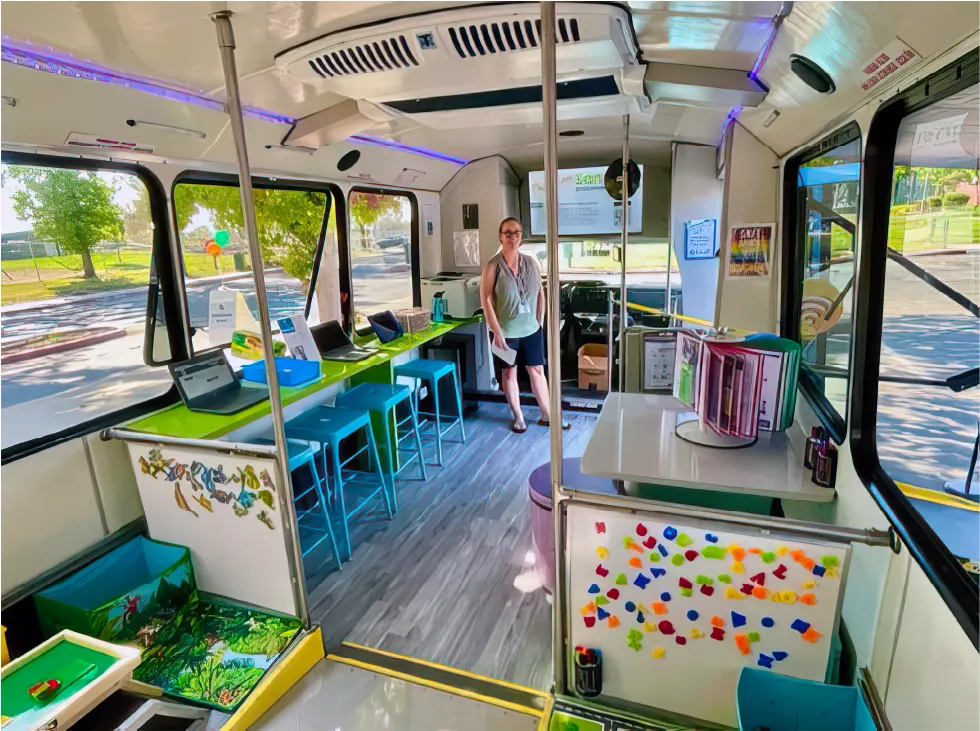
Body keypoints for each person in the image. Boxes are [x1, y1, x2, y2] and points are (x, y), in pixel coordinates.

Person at [480, 216, 569, 433]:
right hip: (506, 333)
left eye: (516, 232)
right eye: (507, 233)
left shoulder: (531, 262)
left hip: (531, 330)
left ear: (522, 237)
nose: (512, 237)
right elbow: (486, 300)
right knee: (509, 373)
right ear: (500, 237)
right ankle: (518, 417)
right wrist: (496, 331)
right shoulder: (492, 266)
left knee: (537, 370)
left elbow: (540, 291)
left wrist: (540, 319)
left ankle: (548, 414)